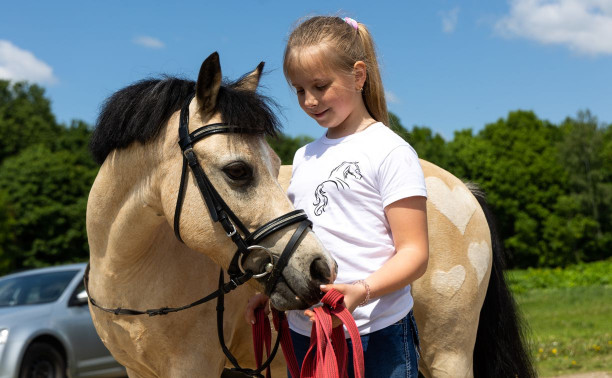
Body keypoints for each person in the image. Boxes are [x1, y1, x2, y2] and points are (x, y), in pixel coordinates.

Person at [245, 15, 429, 378]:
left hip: (377, 333)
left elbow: (415, 253)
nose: (309, 101)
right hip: (307, 333)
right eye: (299, 90)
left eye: (319, 86)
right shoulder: (303, 156)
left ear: (358, 75)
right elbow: (304, 242)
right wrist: (275, 289)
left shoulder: (390, 150)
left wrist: (361, 290)